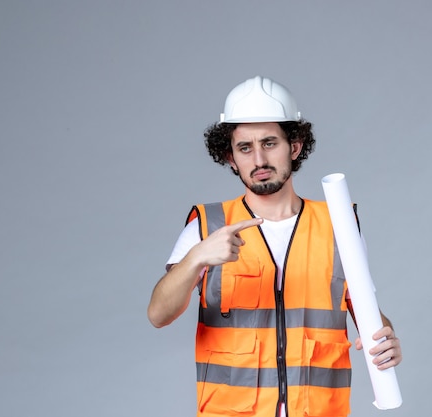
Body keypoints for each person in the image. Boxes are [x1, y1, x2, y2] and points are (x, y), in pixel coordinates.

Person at [148, 75, 402, 417]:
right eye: (245, 148)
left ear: (294, 146)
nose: (258, 160)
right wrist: (197, 257)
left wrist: (387, 340)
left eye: (270, 143)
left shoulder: (338, 224)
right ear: (231, 157)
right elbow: (158, 315)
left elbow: (368, 313)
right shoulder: (209, 226)